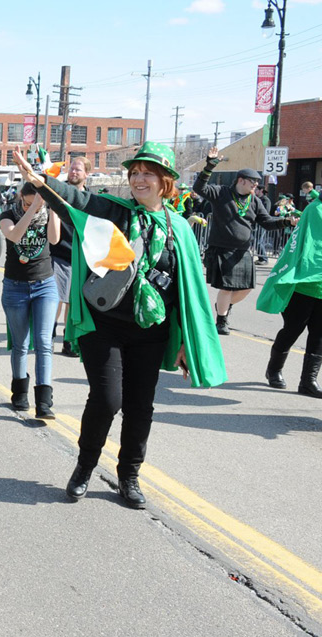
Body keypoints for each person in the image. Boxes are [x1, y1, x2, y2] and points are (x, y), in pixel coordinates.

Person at [16, 142, 226, 508]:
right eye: (135, 173)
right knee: (107, 399)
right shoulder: (116, 212)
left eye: (148, 173)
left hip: (152, 332)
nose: (139, 179)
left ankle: (129, 475)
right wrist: (43, 181)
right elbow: (80, 202)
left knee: (140, 405)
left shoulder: (180, 229)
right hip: (106, 325)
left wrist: (184, 341)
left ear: (166, 181)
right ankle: (84, 467)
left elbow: (186, 291)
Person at [194, 148, 298, 335]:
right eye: (253, 182)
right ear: (241, 180)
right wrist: (210, 165)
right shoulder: (221, 193)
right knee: (227, 287)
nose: (256, 186)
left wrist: (286, 222)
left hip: (243, 251)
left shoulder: (254, 201)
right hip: (221, 249)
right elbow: (199, 188)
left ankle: (222, 307)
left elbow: (267, 223)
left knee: (247, 288)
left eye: (258, 183)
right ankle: (222, 321)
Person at [0, 182, 61, 418]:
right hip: (15, 287)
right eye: (25, 203)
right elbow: (14, 235)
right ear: (20, 199)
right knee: (21, 343)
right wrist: (32, 209)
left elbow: (54, 240)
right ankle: (19, 393)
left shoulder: (46, 213)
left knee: (44, 341)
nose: (29, 208)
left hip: (45, 285)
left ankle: (44, 402)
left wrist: (51, 208)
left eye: (36, 203)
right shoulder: (7, 215)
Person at [258, 195, 322, 398]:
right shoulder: (315, 208)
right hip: (303, 285)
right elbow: (308, 244)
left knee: (319, 336)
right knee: (292, 330)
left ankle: (308, 381)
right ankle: (274, 369)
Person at [54, 158, 89, 356]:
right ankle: (48, 335)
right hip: (59, 253)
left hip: (81, 256)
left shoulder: (91, 199)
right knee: (57, 298)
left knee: (73, 301)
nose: (73, 172)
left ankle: (68, 340)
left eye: (78, 169)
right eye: (72, 169)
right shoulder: (59, 193)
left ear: (86, 174)